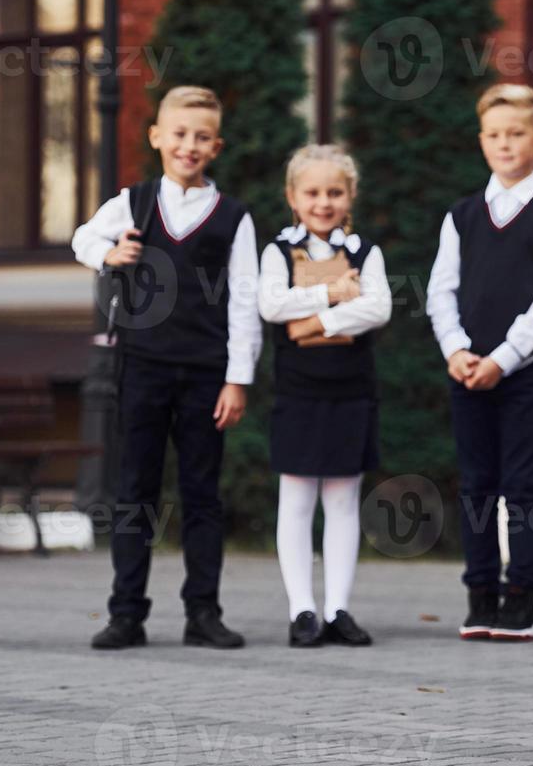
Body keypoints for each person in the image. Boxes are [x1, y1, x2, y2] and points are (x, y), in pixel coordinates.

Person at [72, 85, 262, 652]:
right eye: (178, 134)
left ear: (216, 146)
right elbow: (83, 237)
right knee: (135, 492)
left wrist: (237, 378)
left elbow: (246, 300)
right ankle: (126, 613)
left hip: (206, 375)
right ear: (157, 137)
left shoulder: (234, 217)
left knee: (202, 494)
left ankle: (203, 612)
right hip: (143, 367)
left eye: (201, 137)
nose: (189, 145)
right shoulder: (133, 202)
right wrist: (108, 255)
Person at [427, 83, 533, 643]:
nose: (504, 144)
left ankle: (522, 595)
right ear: (481, 141)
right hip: (467, 370)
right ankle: (480, 593)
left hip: (523, 373)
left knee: (520, 483)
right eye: (493, 135)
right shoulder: (462, 216)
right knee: (475, 484)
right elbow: (441, 290)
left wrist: (504, 358)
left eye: (516, 134)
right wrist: (457, 351)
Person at [257, 144, 391, 648]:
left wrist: (312, 322)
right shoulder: (276, 251)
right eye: (312, 192)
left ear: (349, 195)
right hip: (298, 389)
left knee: (342, 499)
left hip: (351, 387)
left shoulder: (366, 252)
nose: (323, 202)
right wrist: (333, 294)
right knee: (296, 499)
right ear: (293, 197)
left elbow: (378, 309)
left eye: (334, 192)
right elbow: (271, 304)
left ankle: (338, 608)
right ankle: (303, 611)